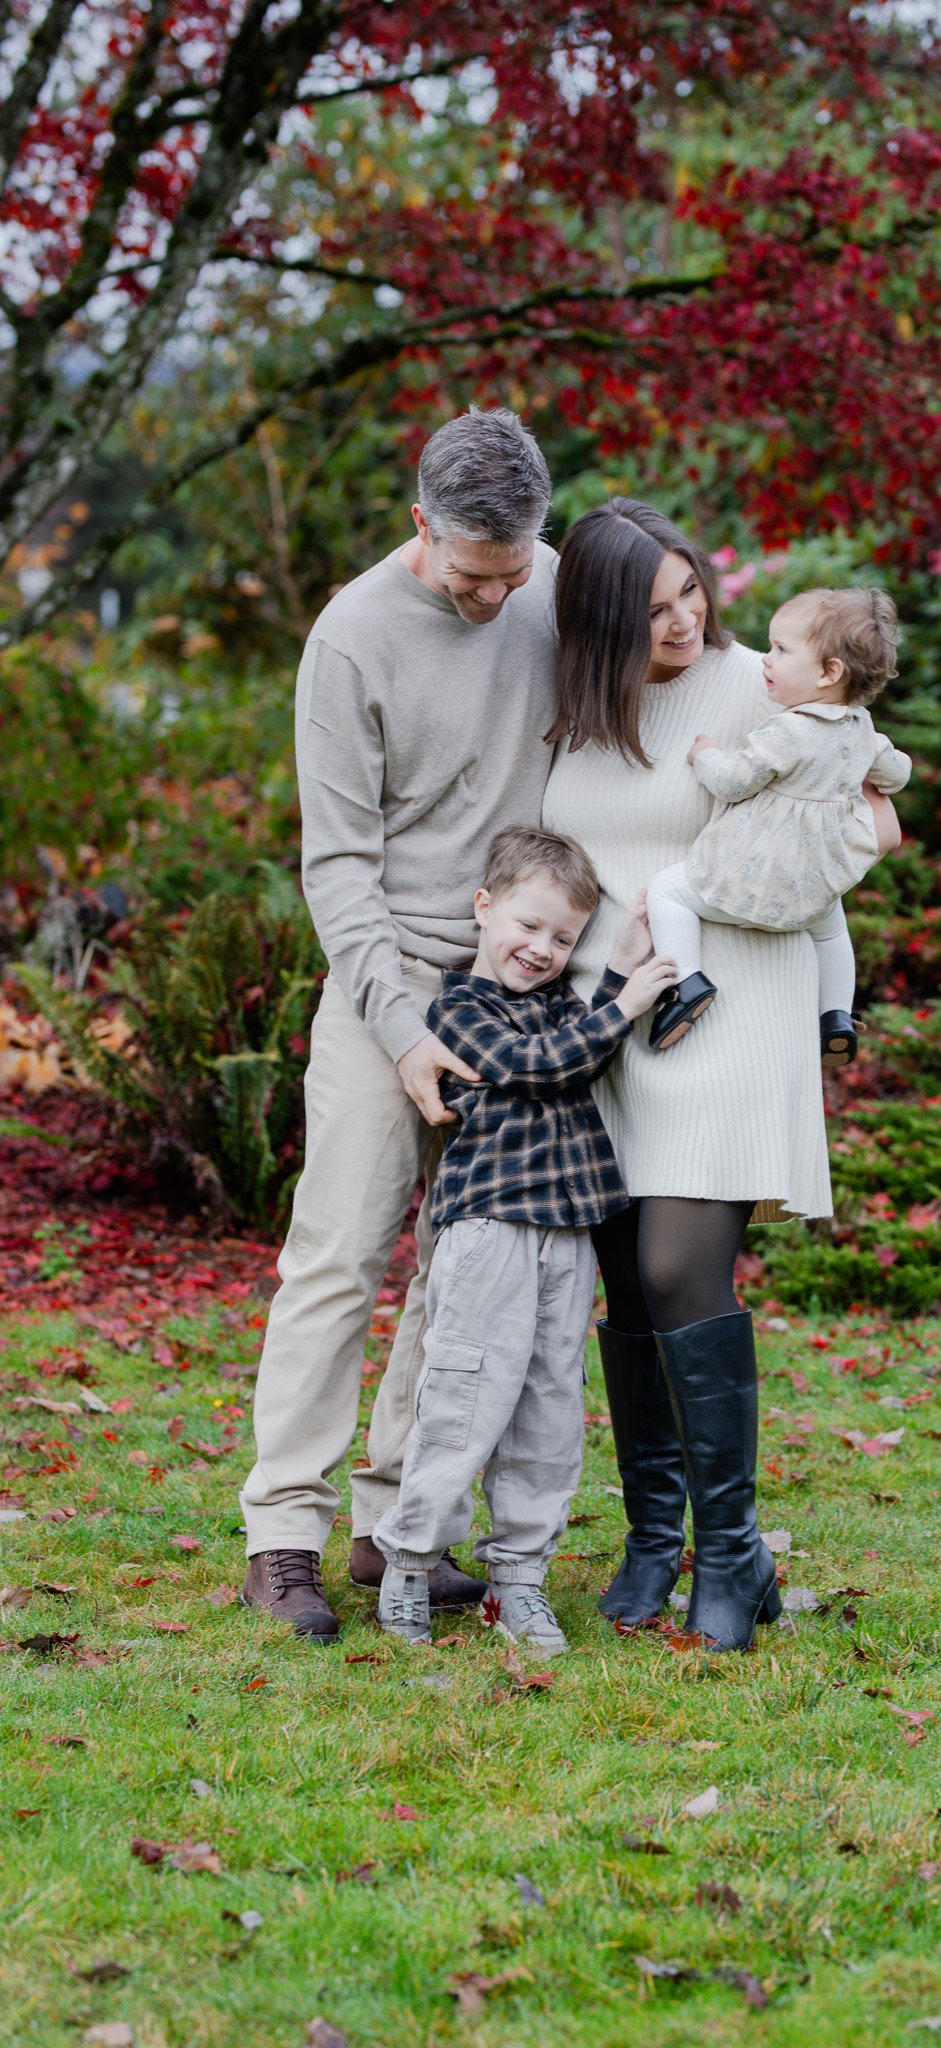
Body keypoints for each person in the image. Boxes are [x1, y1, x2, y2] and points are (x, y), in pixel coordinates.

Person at [541, 499, 901, 1652]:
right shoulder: (576, 702)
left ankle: (734, 1552)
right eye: (652, 609)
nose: (685, 619)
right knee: (627, 1284)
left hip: (733, 1001)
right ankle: (656, 1534)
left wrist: (832, 856)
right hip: (609, 1016)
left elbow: (870, 823)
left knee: (676, 1263)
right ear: (601, 616)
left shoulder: (765, 684)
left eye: (692, 591)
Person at [239, 408, 560, 1640]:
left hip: (523, 994)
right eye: (474, 575)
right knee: (340, 1254)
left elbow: (693, 649)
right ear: (421, 525)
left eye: (514, 571)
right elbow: (340, 864)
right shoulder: (352, 637)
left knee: (464, 1269)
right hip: (393, 981)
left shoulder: (551, 580)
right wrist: (402, 1027)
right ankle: (282, 1536)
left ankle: (394, 1527)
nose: (496, 597)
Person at [370, 826, 676, 1651]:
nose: (541, 949)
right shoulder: (455, 1008)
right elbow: (540, 1066)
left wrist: (615, 963)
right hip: (490, 1230)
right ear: (483, 907)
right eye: (527, 926)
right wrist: (620, 1004)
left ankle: (520, 1579)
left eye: (561, 937)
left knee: (548, 1405)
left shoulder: (559, 1009)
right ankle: (407, 1565)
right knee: (465, 1398)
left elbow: (578, 1050)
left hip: (567, 1236)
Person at [645, 586, 912, 1065]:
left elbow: (731, 782)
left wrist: (705, 753)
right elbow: (898, 772)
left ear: (829, 673)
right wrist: (871, 772)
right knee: (831, 930)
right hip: (813, 882)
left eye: (782, 650)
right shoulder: (862, 729)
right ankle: (835, 1015)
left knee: (666, 892)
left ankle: (686, 983)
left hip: (756, 875)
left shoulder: (787, 730)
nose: (767, 660)